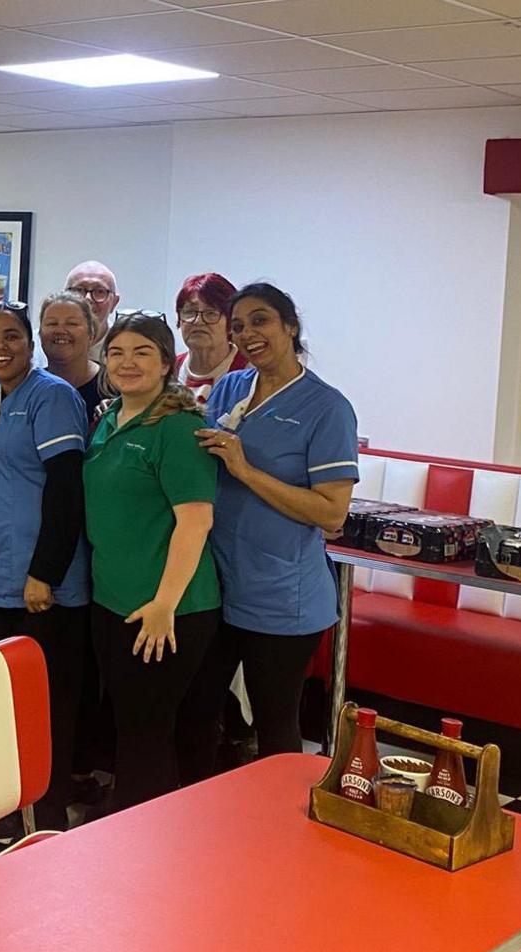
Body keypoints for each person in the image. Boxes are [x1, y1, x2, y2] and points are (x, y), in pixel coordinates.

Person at [178, 283, 358, 781]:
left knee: (274, 725)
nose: (246, 334)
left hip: (282, 597)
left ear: (290, 326)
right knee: (198, 710)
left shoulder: (326, 408)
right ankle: (200, 824)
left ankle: (281, 840)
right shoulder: (232, 390)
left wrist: (247, 470)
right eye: (237, 325)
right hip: (219, 584)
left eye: (260, 321)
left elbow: (331, 514)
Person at [84, 312, 220, 813]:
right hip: (113, 601)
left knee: (147, 731)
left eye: (142, 352)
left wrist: (165, 603)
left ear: (167, 362)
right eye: (117, 352)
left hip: (168, 610)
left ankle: (143, 851)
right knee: (130, 725)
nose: (127, 362)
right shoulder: (110, 420)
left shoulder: (179, 429)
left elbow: (195, 523)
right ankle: (135, 832)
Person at [0, 302, 91, 831]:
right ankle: (8, 806)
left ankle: (48, 812)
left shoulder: (53, 397)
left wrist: (45, 572)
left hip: (43, 583)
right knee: (5, 700)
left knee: (49, 704)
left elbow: (66, 490)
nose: (1, 345)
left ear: (31, 343)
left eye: (12, 336)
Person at [174, 272, 248, 407]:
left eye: (211, 313)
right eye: (190, 312)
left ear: (231, 323)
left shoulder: (250, 372)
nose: (198, 321)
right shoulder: (168, 370)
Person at [40, 291, 106, 422]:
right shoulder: (28, 388)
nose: (60, 330)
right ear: (40, 334)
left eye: (72, 324)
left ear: (91, 334)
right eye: (52, 324)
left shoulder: (114, 385)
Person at [66, 260, 121, 344]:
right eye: (79, 290)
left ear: (114, 302)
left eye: (99, 291)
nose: (88, 299)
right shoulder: (41, 345)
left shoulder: (125, 345)